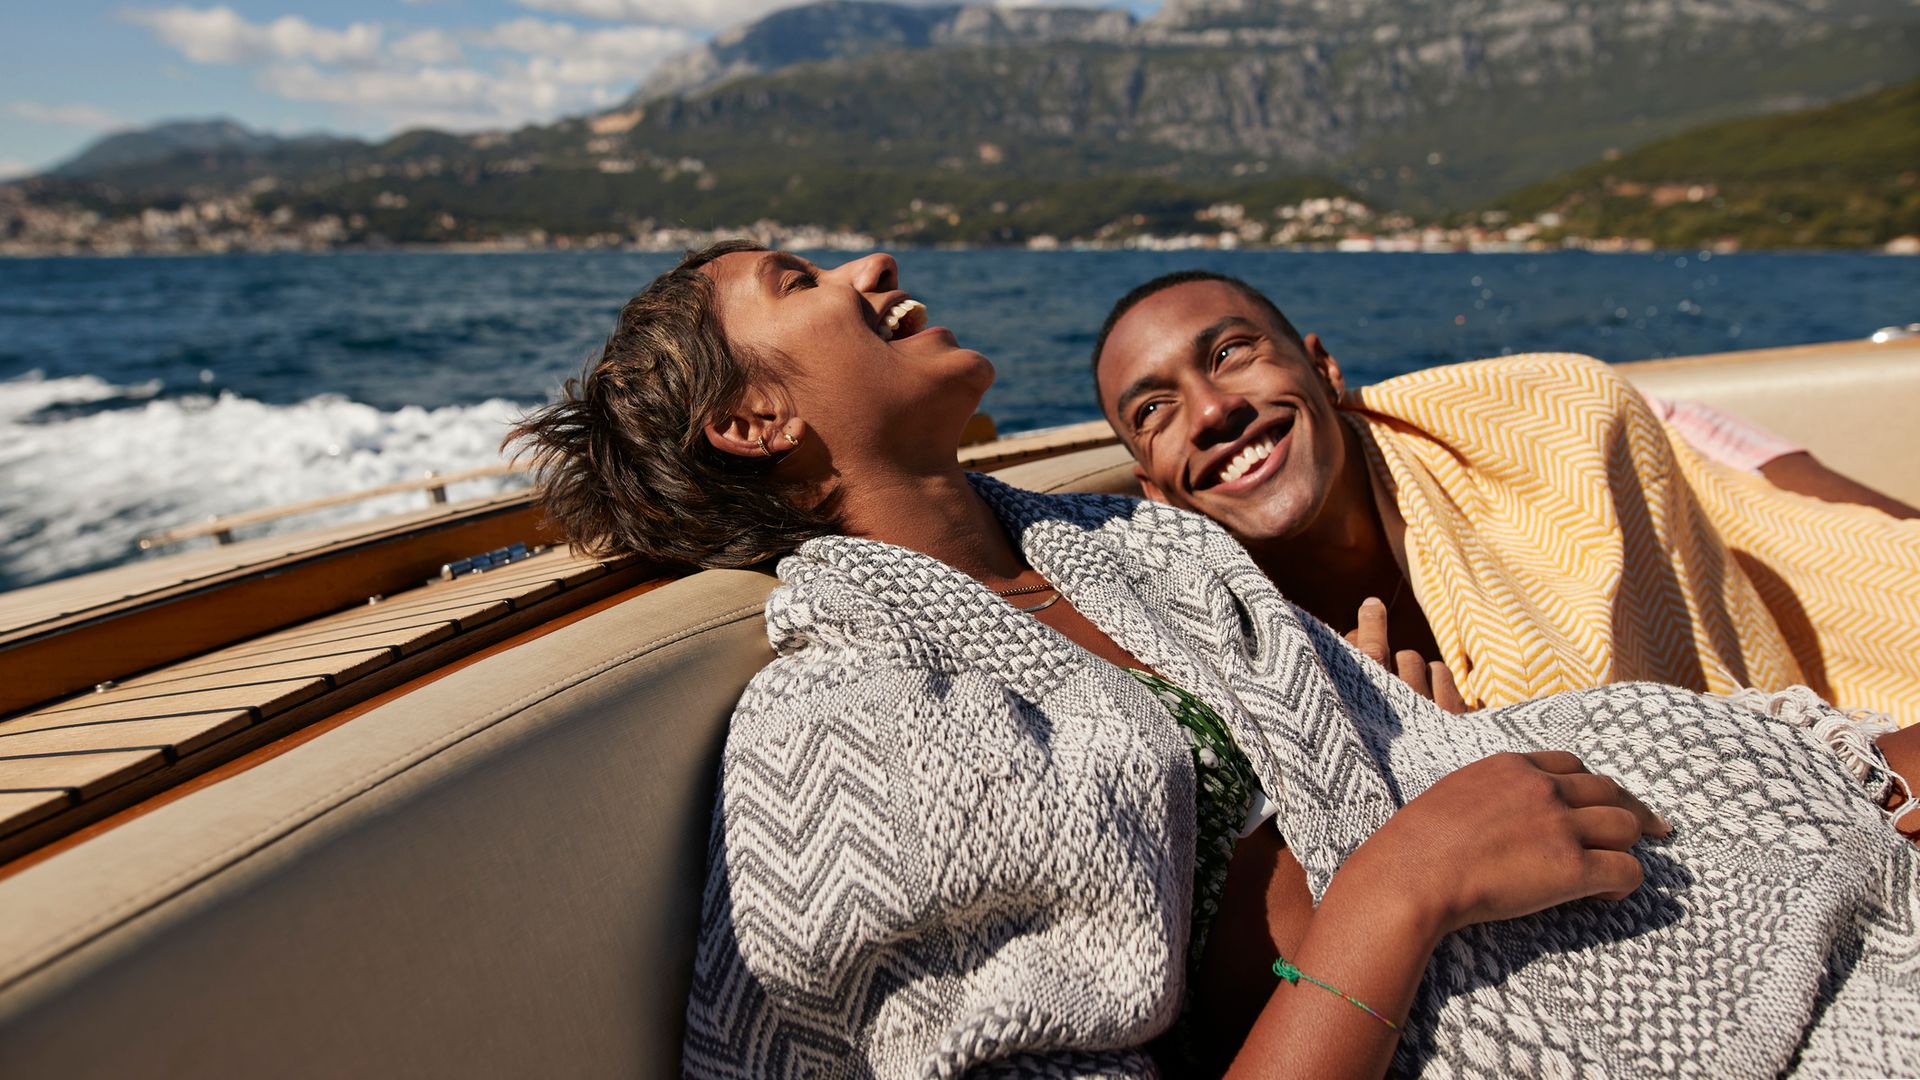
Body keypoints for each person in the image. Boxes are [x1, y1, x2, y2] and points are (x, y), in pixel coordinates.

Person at [511, 243, 1919, 1078]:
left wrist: (1825, 760)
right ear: (753, 422)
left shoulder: (1140, 554)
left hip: (1708, 872)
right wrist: (1398, 889)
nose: (871, 267)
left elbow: (1405, 765)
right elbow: (1382, 865)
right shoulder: (850, 721)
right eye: (799, 281)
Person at [1091, 271, 1920, 721]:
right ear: (1154, 491)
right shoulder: (1204, 651)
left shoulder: (1551, 434)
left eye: (1231, 354)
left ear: (1324, 368)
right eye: (1154, 410)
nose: (1212, 411)